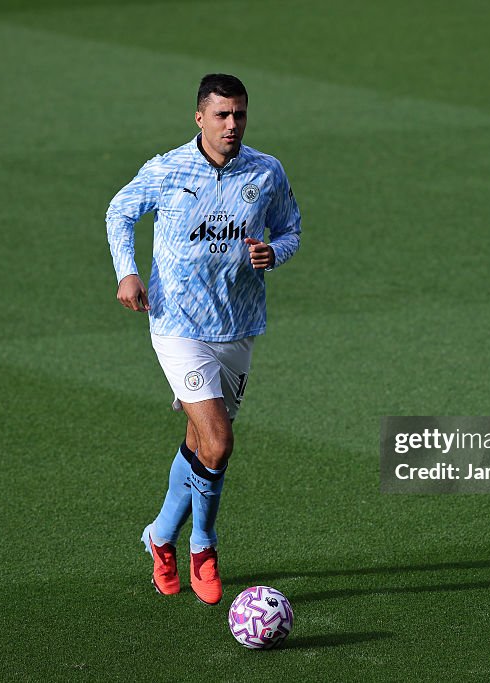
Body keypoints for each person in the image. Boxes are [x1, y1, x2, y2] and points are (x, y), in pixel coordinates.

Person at [105, 74, 302, 605]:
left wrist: (274, 254)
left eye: (239, 114)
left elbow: (291, 229)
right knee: (218, 441)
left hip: (238, 324)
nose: (232, 124)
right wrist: (127, 272)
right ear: (200, 118)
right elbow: (120, 211)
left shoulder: (266, 171)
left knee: (199, 442)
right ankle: (203, 547)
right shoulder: (167, 169)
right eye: (222, 115)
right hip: (177, 324)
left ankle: (159, 538)